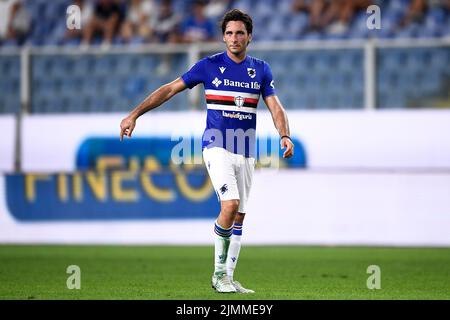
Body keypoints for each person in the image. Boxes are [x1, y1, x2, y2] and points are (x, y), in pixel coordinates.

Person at [119, 9, 294, 293]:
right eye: (229, 33)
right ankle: (218, 275)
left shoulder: (261, 69)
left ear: (249, 36)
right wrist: (134, 114)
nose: (234, 38)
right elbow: (170, 89)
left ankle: (229, 276)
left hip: (245, 149)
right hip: (216, 145)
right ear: (223, 37)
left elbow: (275, 106)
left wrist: (284, 135)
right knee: (230, 205)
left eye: (239, 33)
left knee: (239, 216)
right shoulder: (209, 66)